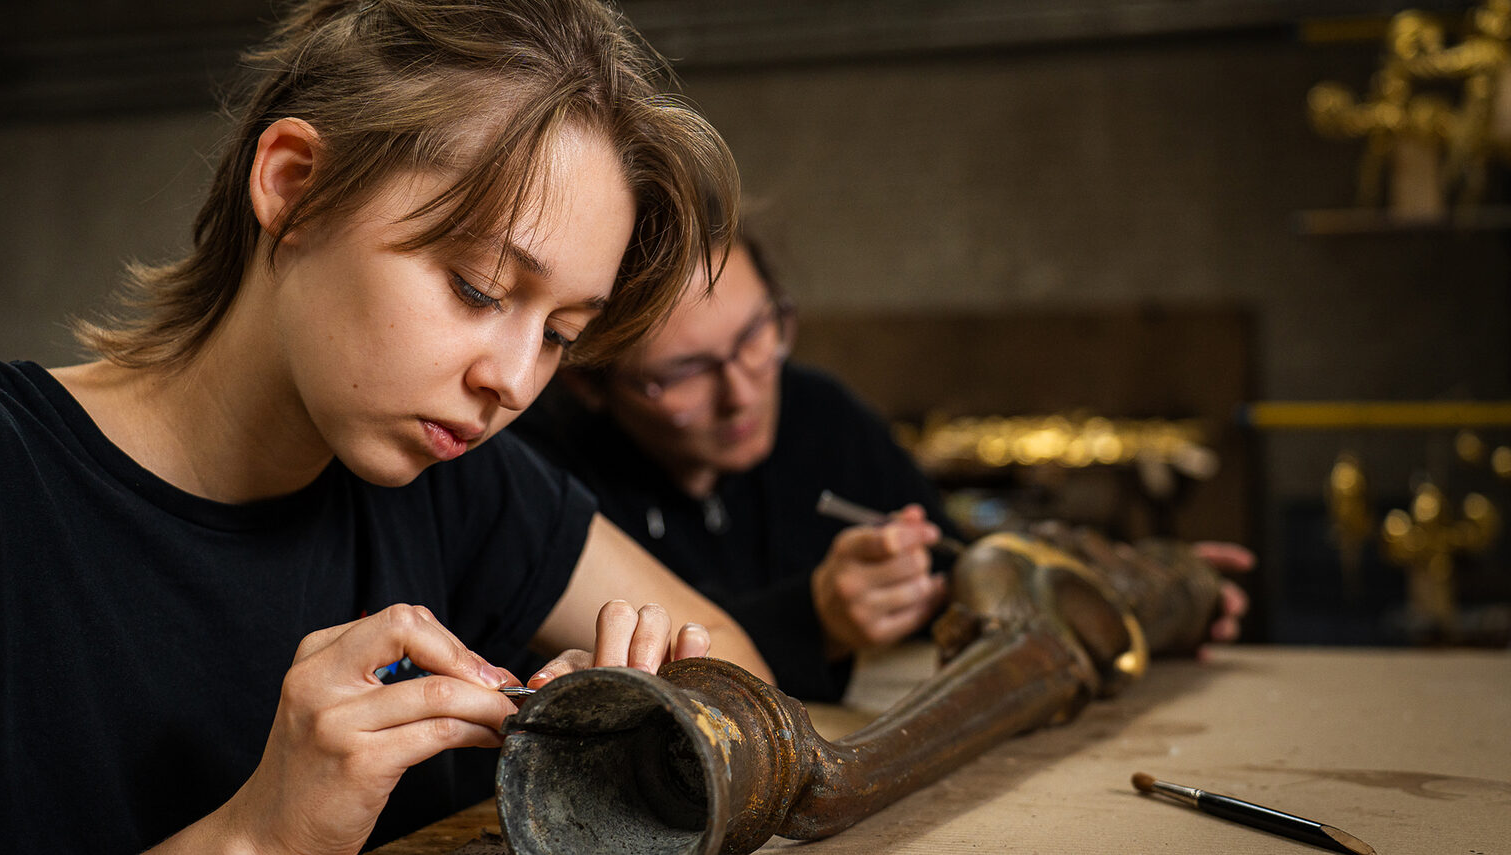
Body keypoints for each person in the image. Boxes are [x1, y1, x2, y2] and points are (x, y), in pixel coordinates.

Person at [0, 1, 774, 852]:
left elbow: (741, 671)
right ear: (296, 188)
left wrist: (644, 724)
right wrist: (262, 836)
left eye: (559, 335)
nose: (512, 381)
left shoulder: (453, 477)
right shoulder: (11, 475)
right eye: (478, 287)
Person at [512, 231, 1254, 702]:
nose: (742, 391)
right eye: (684, 374)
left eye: (757, 336)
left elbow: (963, 560)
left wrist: (1133, 593)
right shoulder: (535, 478)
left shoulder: (817, 411)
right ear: (587, 381)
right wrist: (816, 619)